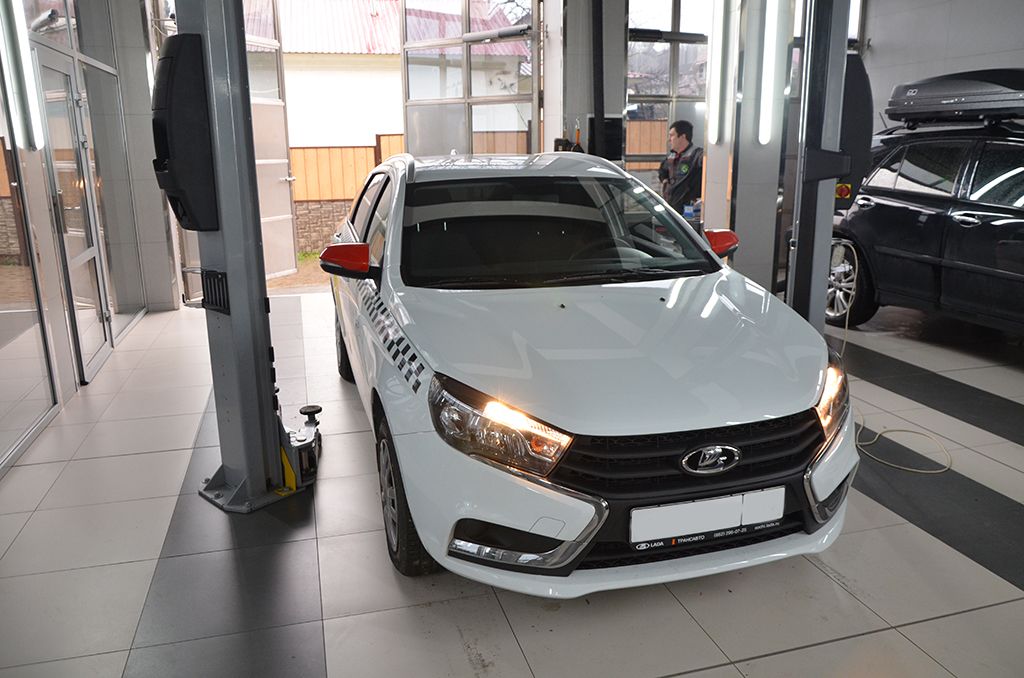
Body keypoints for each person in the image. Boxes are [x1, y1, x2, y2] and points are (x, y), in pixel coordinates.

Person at [658, 120, 704, 215]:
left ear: (682, 137)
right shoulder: (671, 156)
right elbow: (662, 171)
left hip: (689, 211)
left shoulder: (697, 155)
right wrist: (665, 182)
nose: (669, 140)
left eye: (672, 135)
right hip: (671, 207)